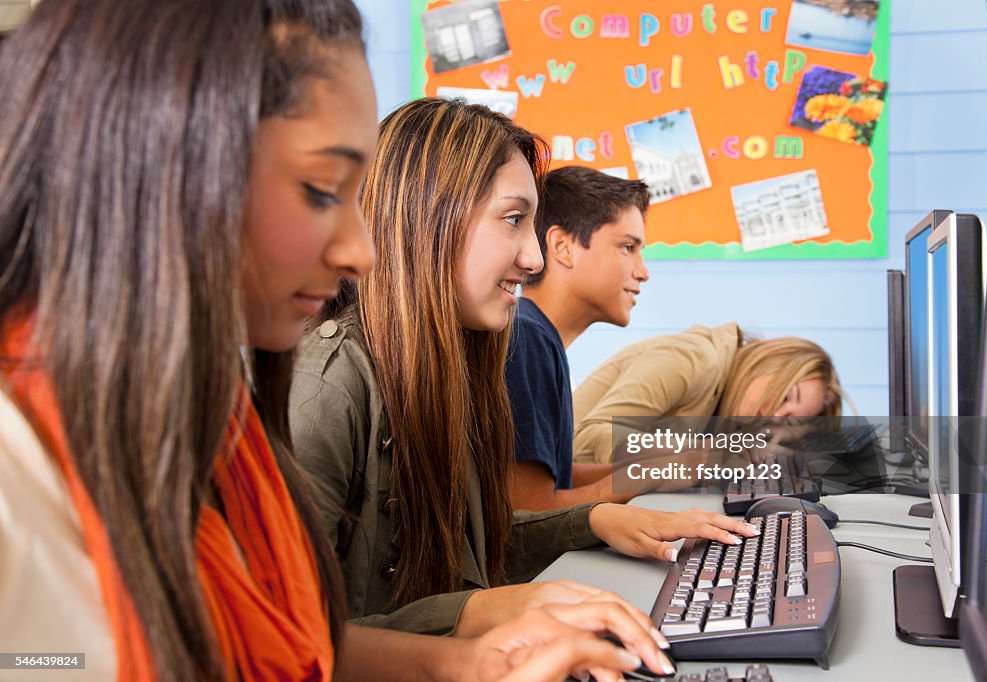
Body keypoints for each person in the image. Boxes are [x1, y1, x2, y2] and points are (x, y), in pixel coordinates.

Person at [0, 2, 684, 680]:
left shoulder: (221, 416)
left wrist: (478, 649)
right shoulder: (31, 476)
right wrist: (471, 630)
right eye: (324, 189)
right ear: (172, 168)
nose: (361, 251)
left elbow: (302, 638)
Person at [289, 97, 757, 653]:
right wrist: (479, 610)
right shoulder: (328, 384)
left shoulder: (451, 361)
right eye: (513, 220)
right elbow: (278, 643)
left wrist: (598, 520)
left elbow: (468, 546)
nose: (533, 259)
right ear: (426, 216)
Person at [504, 165, 654, 510]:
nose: (643, 272)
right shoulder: (526, 337)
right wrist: (644, 476)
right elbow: (532, 511)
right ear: (563, 246)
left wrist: (657, 468)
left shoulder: (534, 331)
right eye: (627, 247)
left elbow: (558, 479)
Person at [573, 327, 843, 464]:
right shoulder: (692, 360)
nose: (775, 415)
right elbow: (588, 438)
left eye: (790, 422)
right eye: (785, 394)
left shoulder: (725, 410)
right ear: (771, 360)